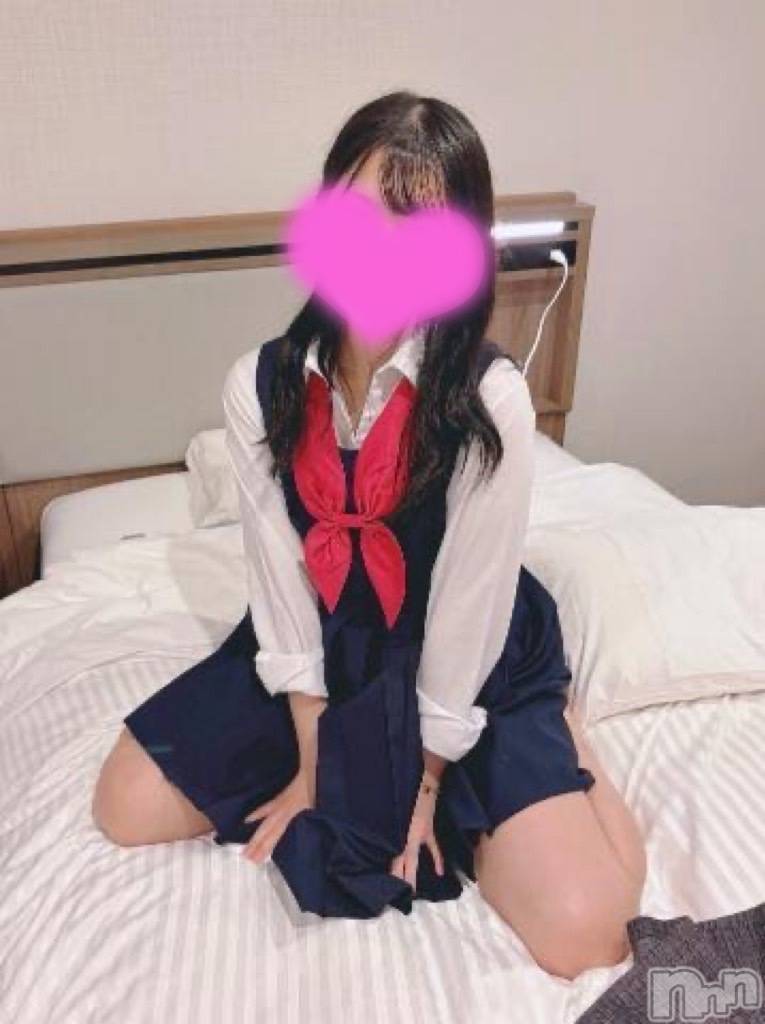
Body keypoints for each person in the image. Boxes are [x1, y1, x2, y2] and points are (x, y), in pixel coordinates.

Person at [92, 90, 646, 980]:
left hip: (463, 652)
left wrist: (422, 781)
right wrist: (317, 763)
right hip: (329, 634)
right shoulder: (259, 384)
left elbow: (467, 605)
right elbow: (280, 582)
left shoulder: (487, 400)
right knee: (125, 805)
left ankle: (566, 735)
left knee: (586, 932)